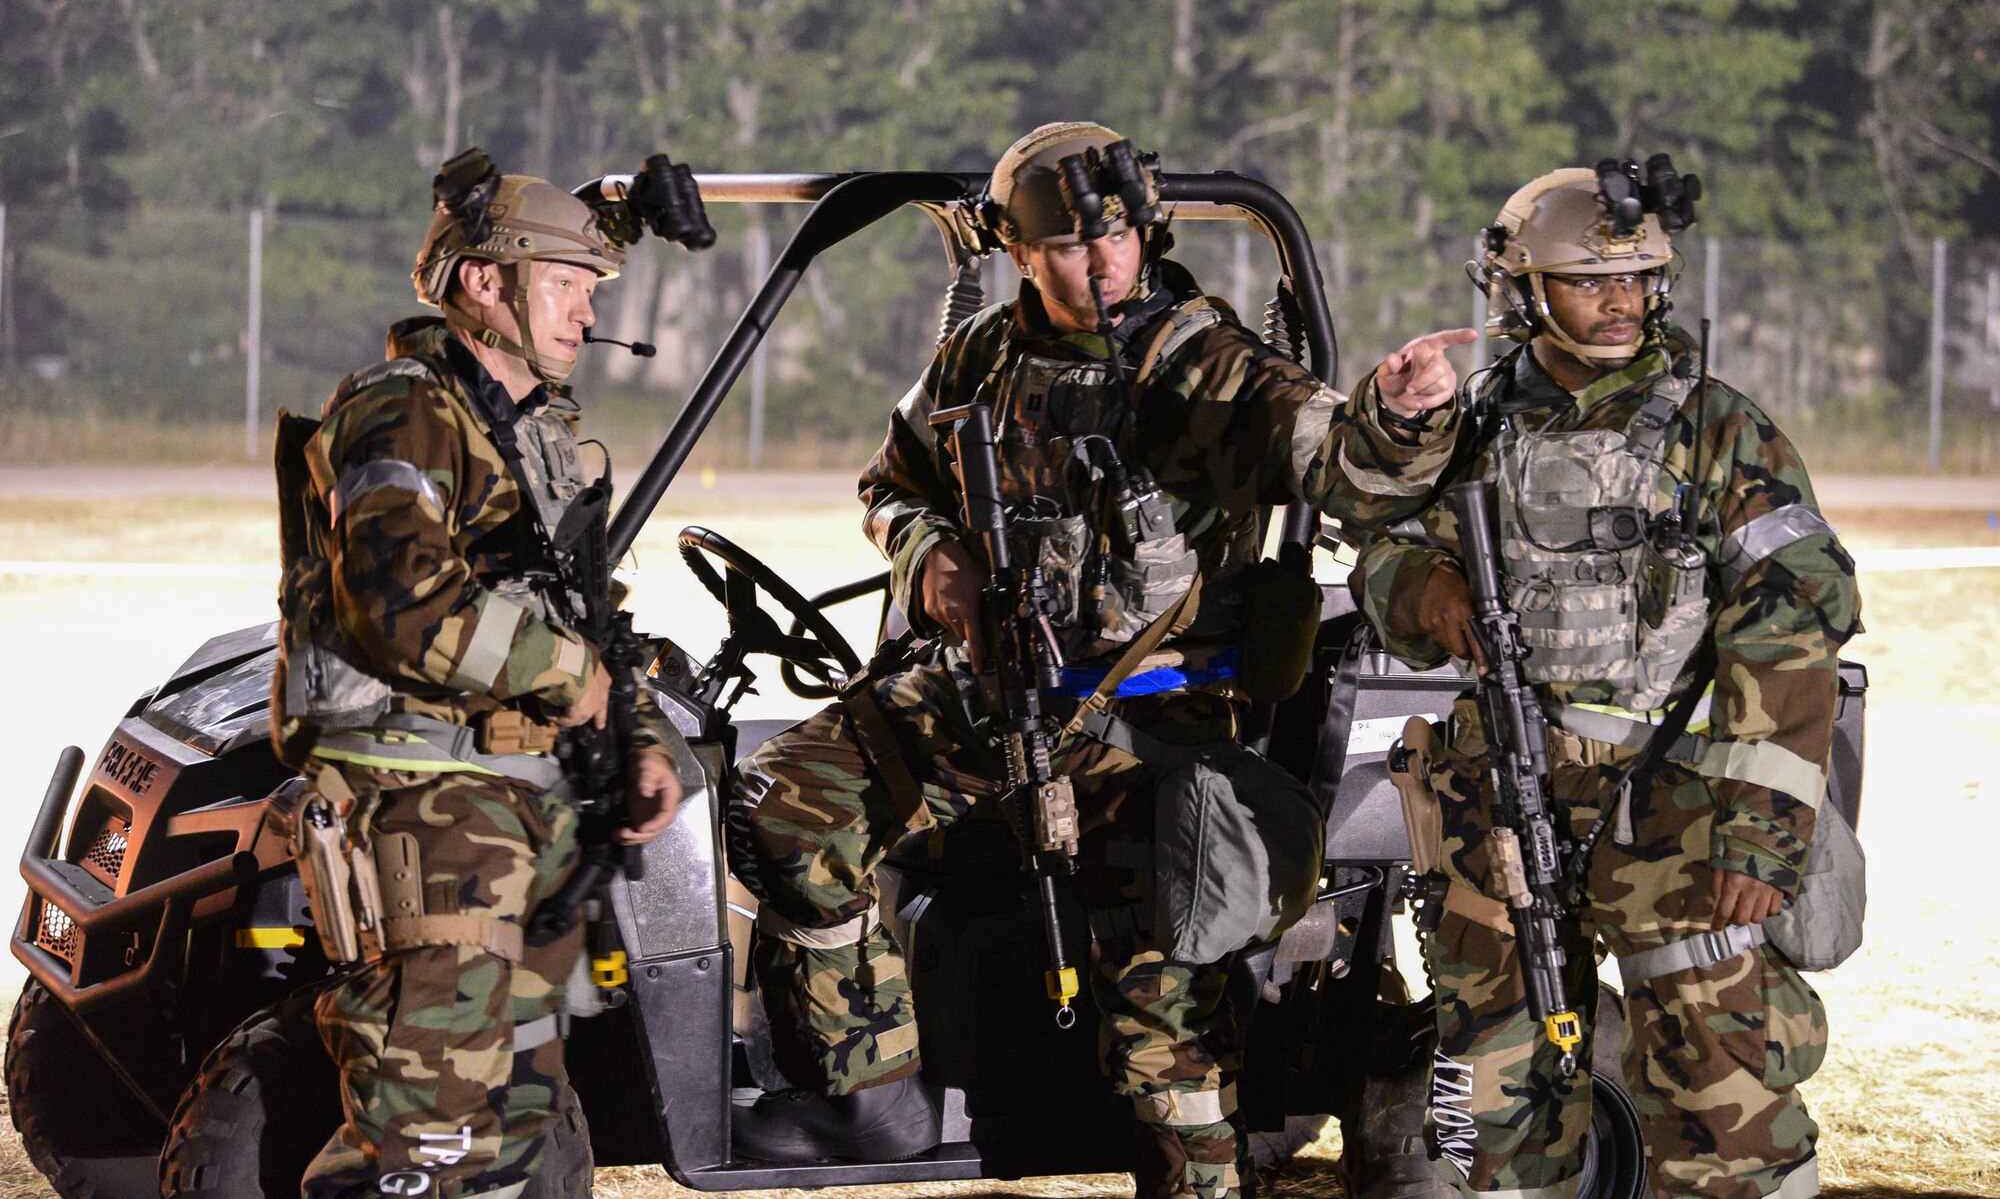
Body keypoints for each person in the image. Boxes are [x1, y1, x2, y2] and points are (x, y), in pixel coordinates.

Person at [726, 121, 1474, 1198]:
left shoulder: (1200, 360)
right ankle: (867, 1091)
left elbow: (1333, 455)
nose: (1104, 260)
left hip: (1150, 728)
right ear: (1021, 252)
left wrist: (1398, 418)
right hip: (985, 697)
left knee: (1160, 1026)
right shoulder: (981, 354)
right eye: (1072, 243)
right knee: (782, 802)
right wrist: (932, 556)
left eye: (1119, 233)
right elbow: (890, 484)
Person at [1353, 165, 1861, 1199]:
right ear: (1522, 289)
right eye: (1590, 282)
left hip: (1670, 810)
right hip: (1496, 805)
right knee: (1496, 1114)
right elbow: (1377, 548)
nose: (1620, 302)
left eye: (1637, 278)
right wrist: (1426, 592)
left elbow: (1791, 620)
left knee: (1725, 1107)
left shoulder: (1717, 430)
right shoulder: (1472, 427)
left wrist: (1761, 834)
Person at [271, 155, 685, 1199]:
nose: (588, 313)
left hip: (515, 811)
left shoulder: (524, 429)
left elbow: (581, 612)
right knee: (423, 1150)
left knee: (510, 1136)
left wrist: (638, 735)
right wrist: (571, 675)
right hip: (423, 807)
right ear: (482, 286)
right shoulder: (402, 409)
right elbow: (404, 602)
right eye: (566, 283)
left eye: (594, 288)